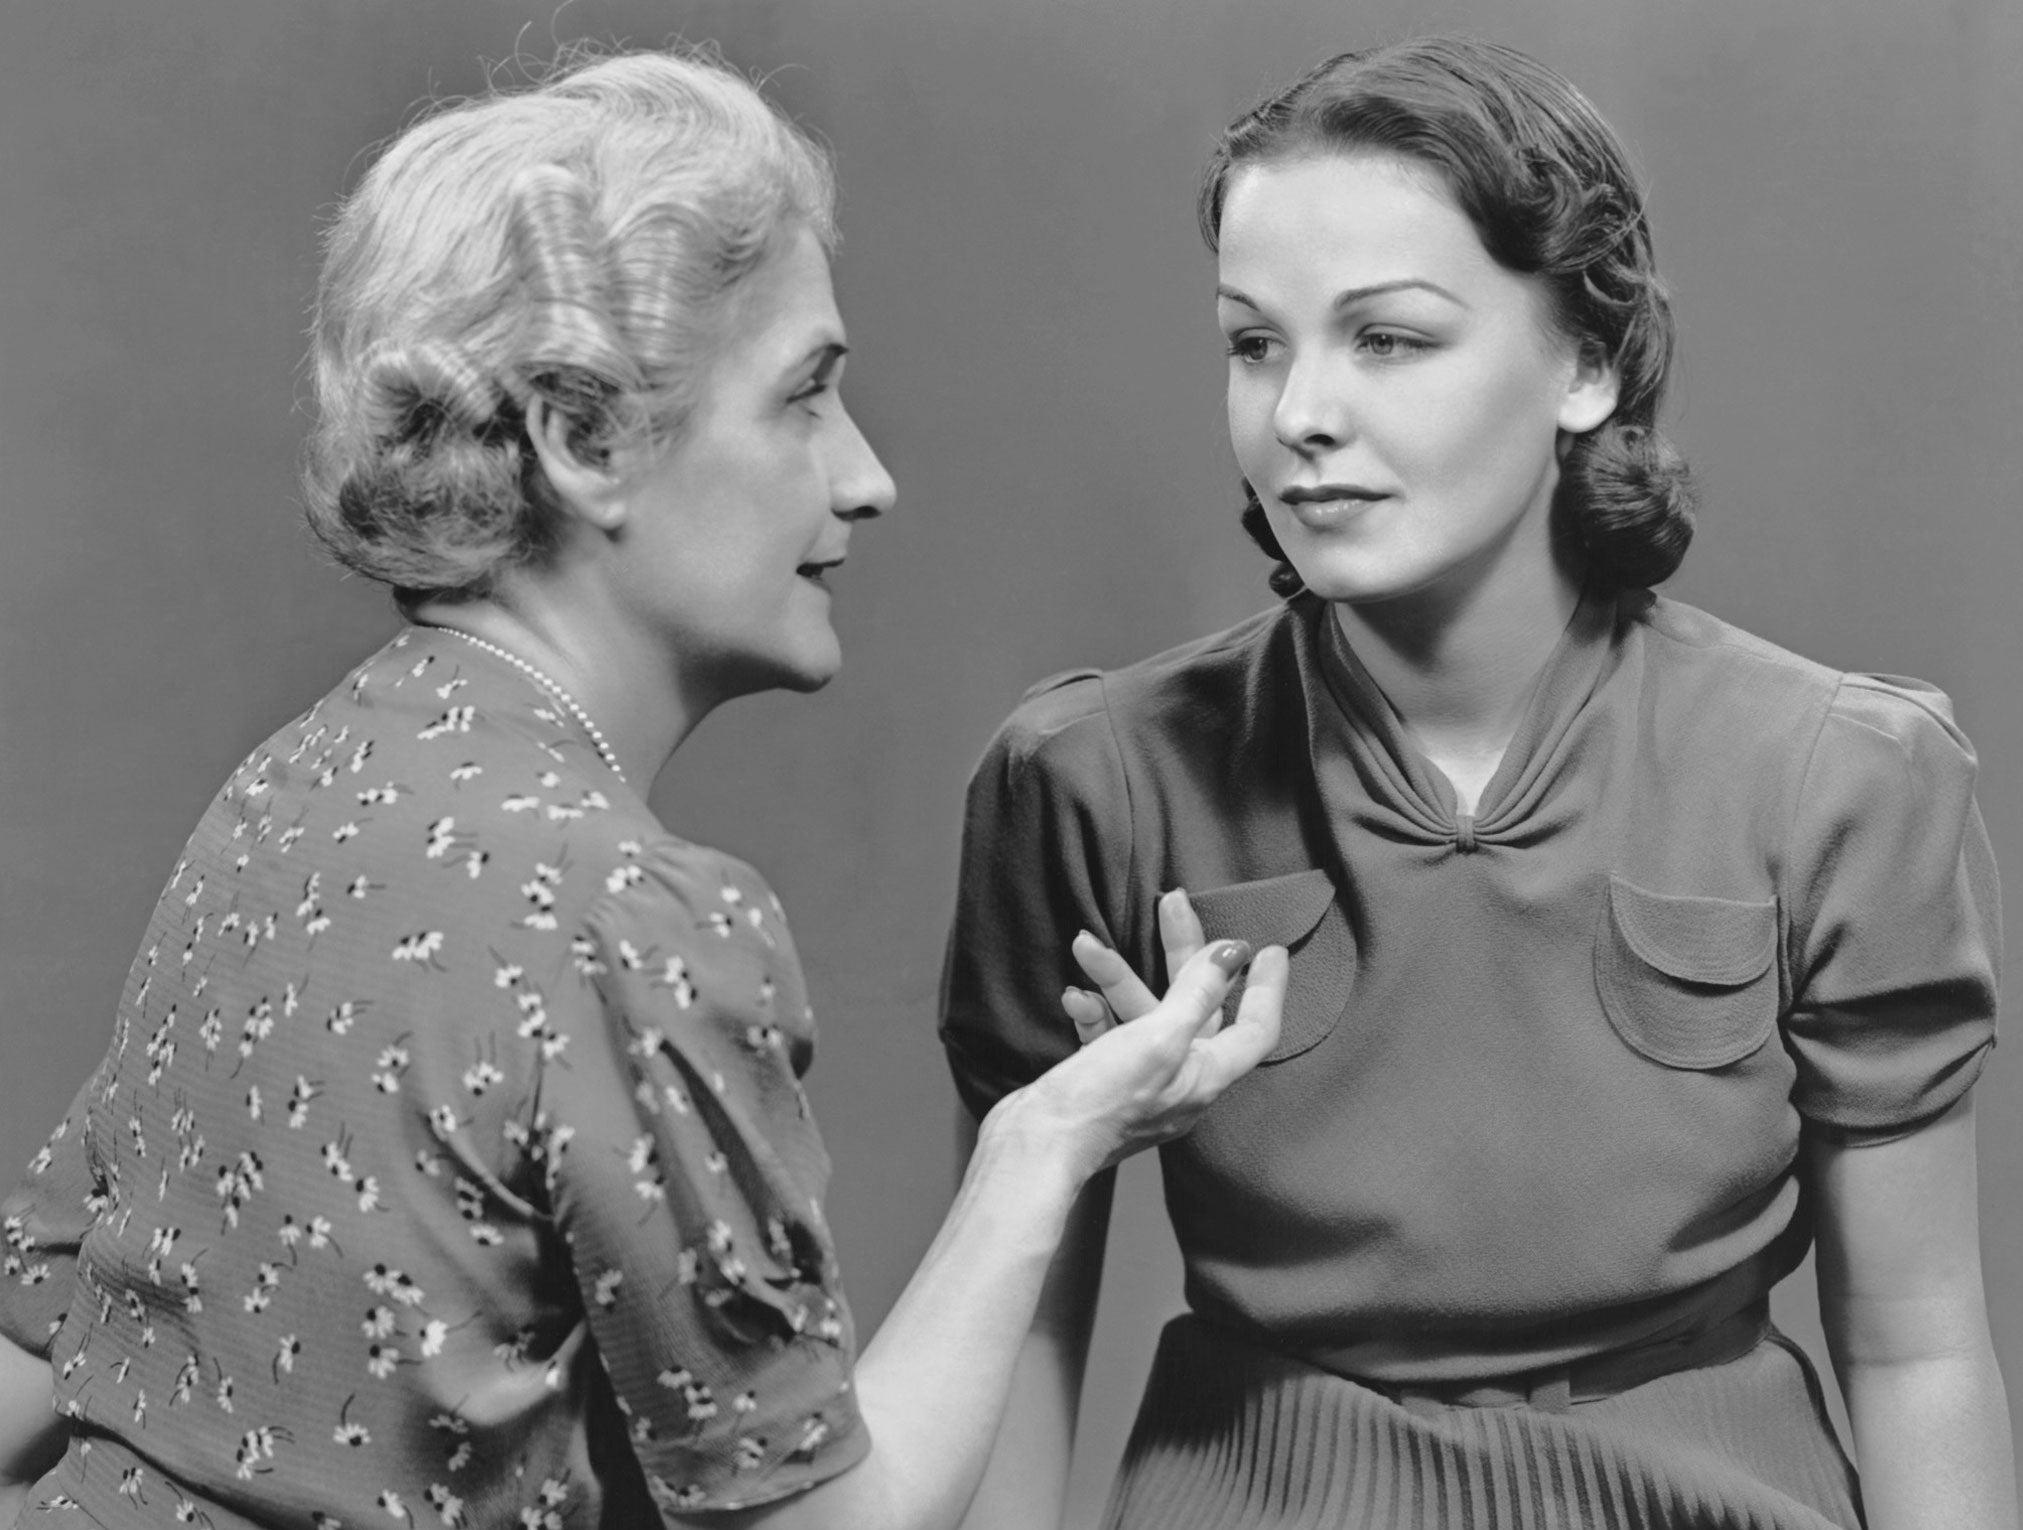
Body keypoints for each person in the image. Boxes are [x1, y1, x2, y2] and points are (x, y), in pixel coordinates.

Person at [0, 49, 1291, 1530]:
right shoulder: (640, 918)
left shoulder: (285, 792)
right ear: (581, 437)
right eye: (804, 395)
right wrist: (1042, 1146)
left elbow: (37, 1340)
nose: (866, 477)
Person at [940, 36, 2017, 1530]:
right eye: (1254, 343)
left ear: (1585, 361)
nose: (1299, 411)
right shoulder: (1092, 779)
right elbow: (1019, 1347)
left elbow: (1915, 1346)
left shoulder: (1843, 777)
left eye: (1387, 338)